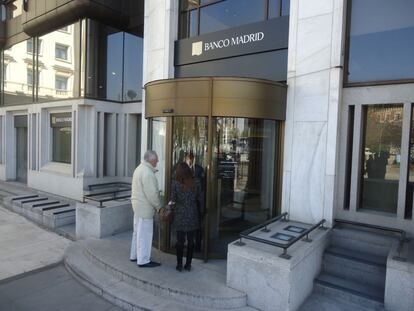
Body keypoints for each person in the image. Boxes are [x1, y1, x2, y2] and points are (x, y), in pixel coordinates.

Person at [130, 150, 162, 268]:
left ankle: (134, 255)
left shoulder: (139, 168)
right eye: (156, 159)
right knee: (144, 235)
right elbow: (152, 194)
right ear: (151, 160)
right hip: (145, 209)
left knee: (137, 233)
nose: (158, 161)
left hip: (138, 207)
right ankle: (143, 260)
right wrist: (159, 207)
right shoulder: (147, 173)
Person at [171, 162, 203, 272]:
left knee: (180, 242)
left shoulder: (175, 184)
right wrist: (202, 211)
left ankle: (179, 264)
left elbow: (173, 200)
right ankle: (188, 264)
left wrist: (168, 208)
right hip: (192, 214)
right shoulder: (197, 182)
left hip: (180, 214)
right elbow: (200, 198)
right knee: (191, 241)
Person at [185, 153, 205, 252]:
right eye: (188, 158)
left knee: (198, 226)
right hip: (185, 204)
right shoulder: (181, 168)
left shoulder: (199, 169)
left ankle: (197, 245)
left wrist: (202, 206)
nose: (190, 160)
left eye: (191, 158)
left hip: (196, 203)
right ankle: (187, 243)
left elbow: (202, 188)